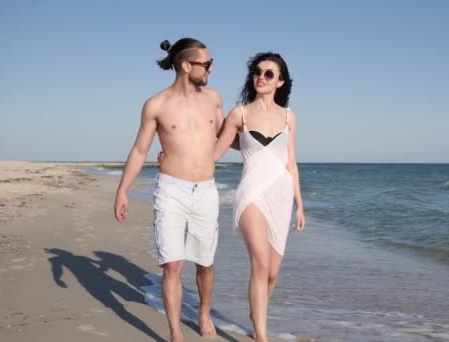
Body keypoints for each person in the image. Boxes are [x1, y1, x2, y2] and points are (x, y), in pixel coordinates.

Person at [113, 38, 223, 341]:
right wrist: (123, 190)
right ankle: (176, 333)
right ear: (187, 66)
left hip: (206, 190)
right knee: (173, 264)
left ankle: (203, 314)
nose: (212, 69)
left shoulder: (213, 98)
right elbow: (139, 150)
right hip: (171, 190)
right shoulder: (156, 104)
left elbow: (227, 138)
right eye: (207, 64)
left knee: (205, 262)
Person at [213, 52, 306, 342]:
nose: (261, 77)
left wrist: (300, 205)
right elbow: (214, 153)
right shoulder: (239, 114)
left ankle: (257, 312)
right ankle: (261, 336)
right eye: (257, 71)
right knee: (261, 264)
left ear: (280, 81)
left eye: (269, 73)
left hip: (281, 194)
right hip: (251, 193)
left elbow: (291, 163)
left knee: (273, 273)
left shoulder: (290, 118)